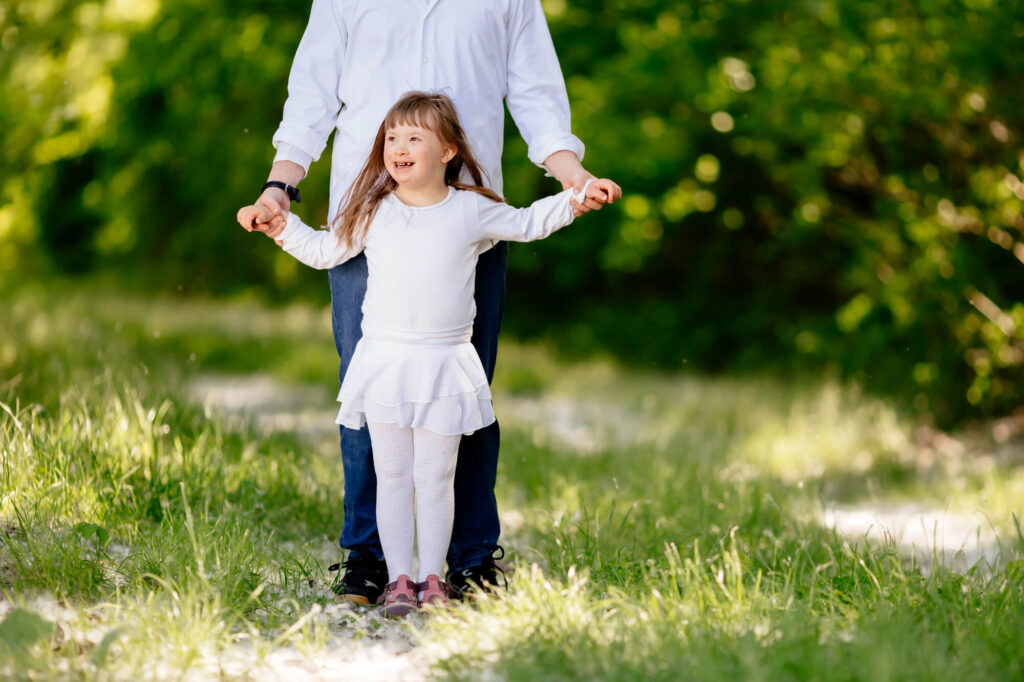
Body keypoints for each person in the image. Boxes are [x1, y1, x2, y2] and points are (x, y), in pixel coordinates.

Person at [240, 0, 620, 603]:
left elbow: (536, 94)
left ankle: (467, 562)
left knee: (464, 398)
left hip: (468, 219)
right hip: (363, 214)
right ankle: (369, 561)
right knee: (371, 397)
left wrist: (573, 180)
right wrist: (280, 188)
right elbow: (311, 93)